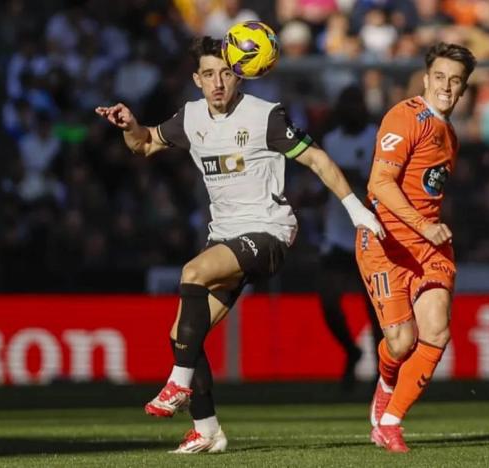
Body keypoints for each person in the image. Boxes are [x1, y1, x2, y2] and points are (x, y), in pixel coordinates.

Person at [95, 36, 383, 454]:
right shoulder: (191, 117)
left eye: (226, 73)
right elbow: (144, 145)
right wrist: (130, 126)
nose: (218, 83)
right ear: (196, 79)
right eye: (209, 74)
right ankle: (207, 429)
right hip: (226, 237)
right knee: (181, 336)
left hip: (270, 232)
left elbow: (317, 159)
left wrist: (356, 209)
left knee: (192, 273)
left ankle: (177, 385)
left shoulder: (265, 116)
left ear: (240, 75)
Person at [355, 42, 476, 453]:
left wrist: (429, 229)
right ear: (426, 79)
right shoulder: (405, 117)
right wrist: (424, 224)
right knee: (402, 342)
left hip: (428, 246)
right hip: (386, 243)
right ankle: (387, 382)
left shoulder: (451, 136)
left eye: (455, 80)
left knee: (438, 329)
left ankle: (390, 422)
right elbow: (379, 184)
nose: (446, 86)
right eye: (439, 77)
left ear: (463, 90)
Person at [318, 85, 384, 390]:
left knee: (374, 308)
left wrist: (341, 174)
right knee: (329, 301)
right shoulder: (330, 141)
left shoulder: (375, 136)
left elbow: (375, 180)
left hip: (370, 233)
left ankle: (382, 372)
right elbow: (323, 183)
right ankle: (351, 350)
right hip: (337, 235)